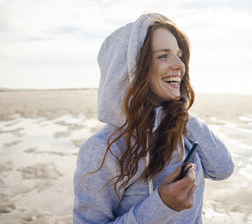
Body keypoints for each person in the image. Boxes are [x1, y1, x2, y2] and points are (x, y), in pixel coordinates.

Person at [73, 13, 234, 224]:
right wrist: (161, 206)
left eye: (179, 55)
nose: (180, 66)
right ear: (130, 70)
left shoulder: (182, 127)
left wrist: (181, 113)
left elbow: (222, 169)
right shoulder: (102, 149)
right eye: (163, 56)